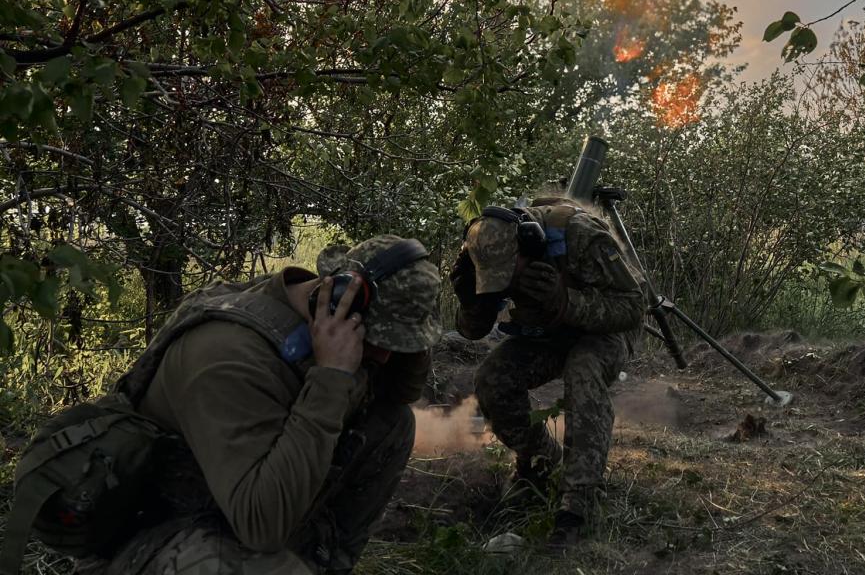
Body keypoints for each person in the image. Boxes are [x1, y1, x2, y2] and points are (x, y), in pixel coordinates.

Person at [82, 234, 441, 575]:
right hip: (159, 534)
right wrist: (331, 379)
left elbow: (402, 393)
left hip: (235, 507)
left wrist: (407, 342)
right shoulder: (228, 356)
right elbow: (261, 527)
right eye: (379, 340)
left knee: (392, 423)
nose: (385, 356)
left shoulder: (314, 310)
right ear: (336, 296)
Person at [451, 198, 647, 550]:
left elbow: (633, 307)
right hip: (549, 330)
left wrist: (566, 302)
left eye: (512, 274)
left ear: (529, 244)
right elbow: (473, 331)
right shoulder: (485, 255)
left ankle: (577, 504)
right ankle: (543, 465)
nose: (507, 284)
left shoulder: (581, 237)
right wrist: (470, 302)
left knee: (583, 371)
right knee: (493, 378)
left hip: (605, 329)